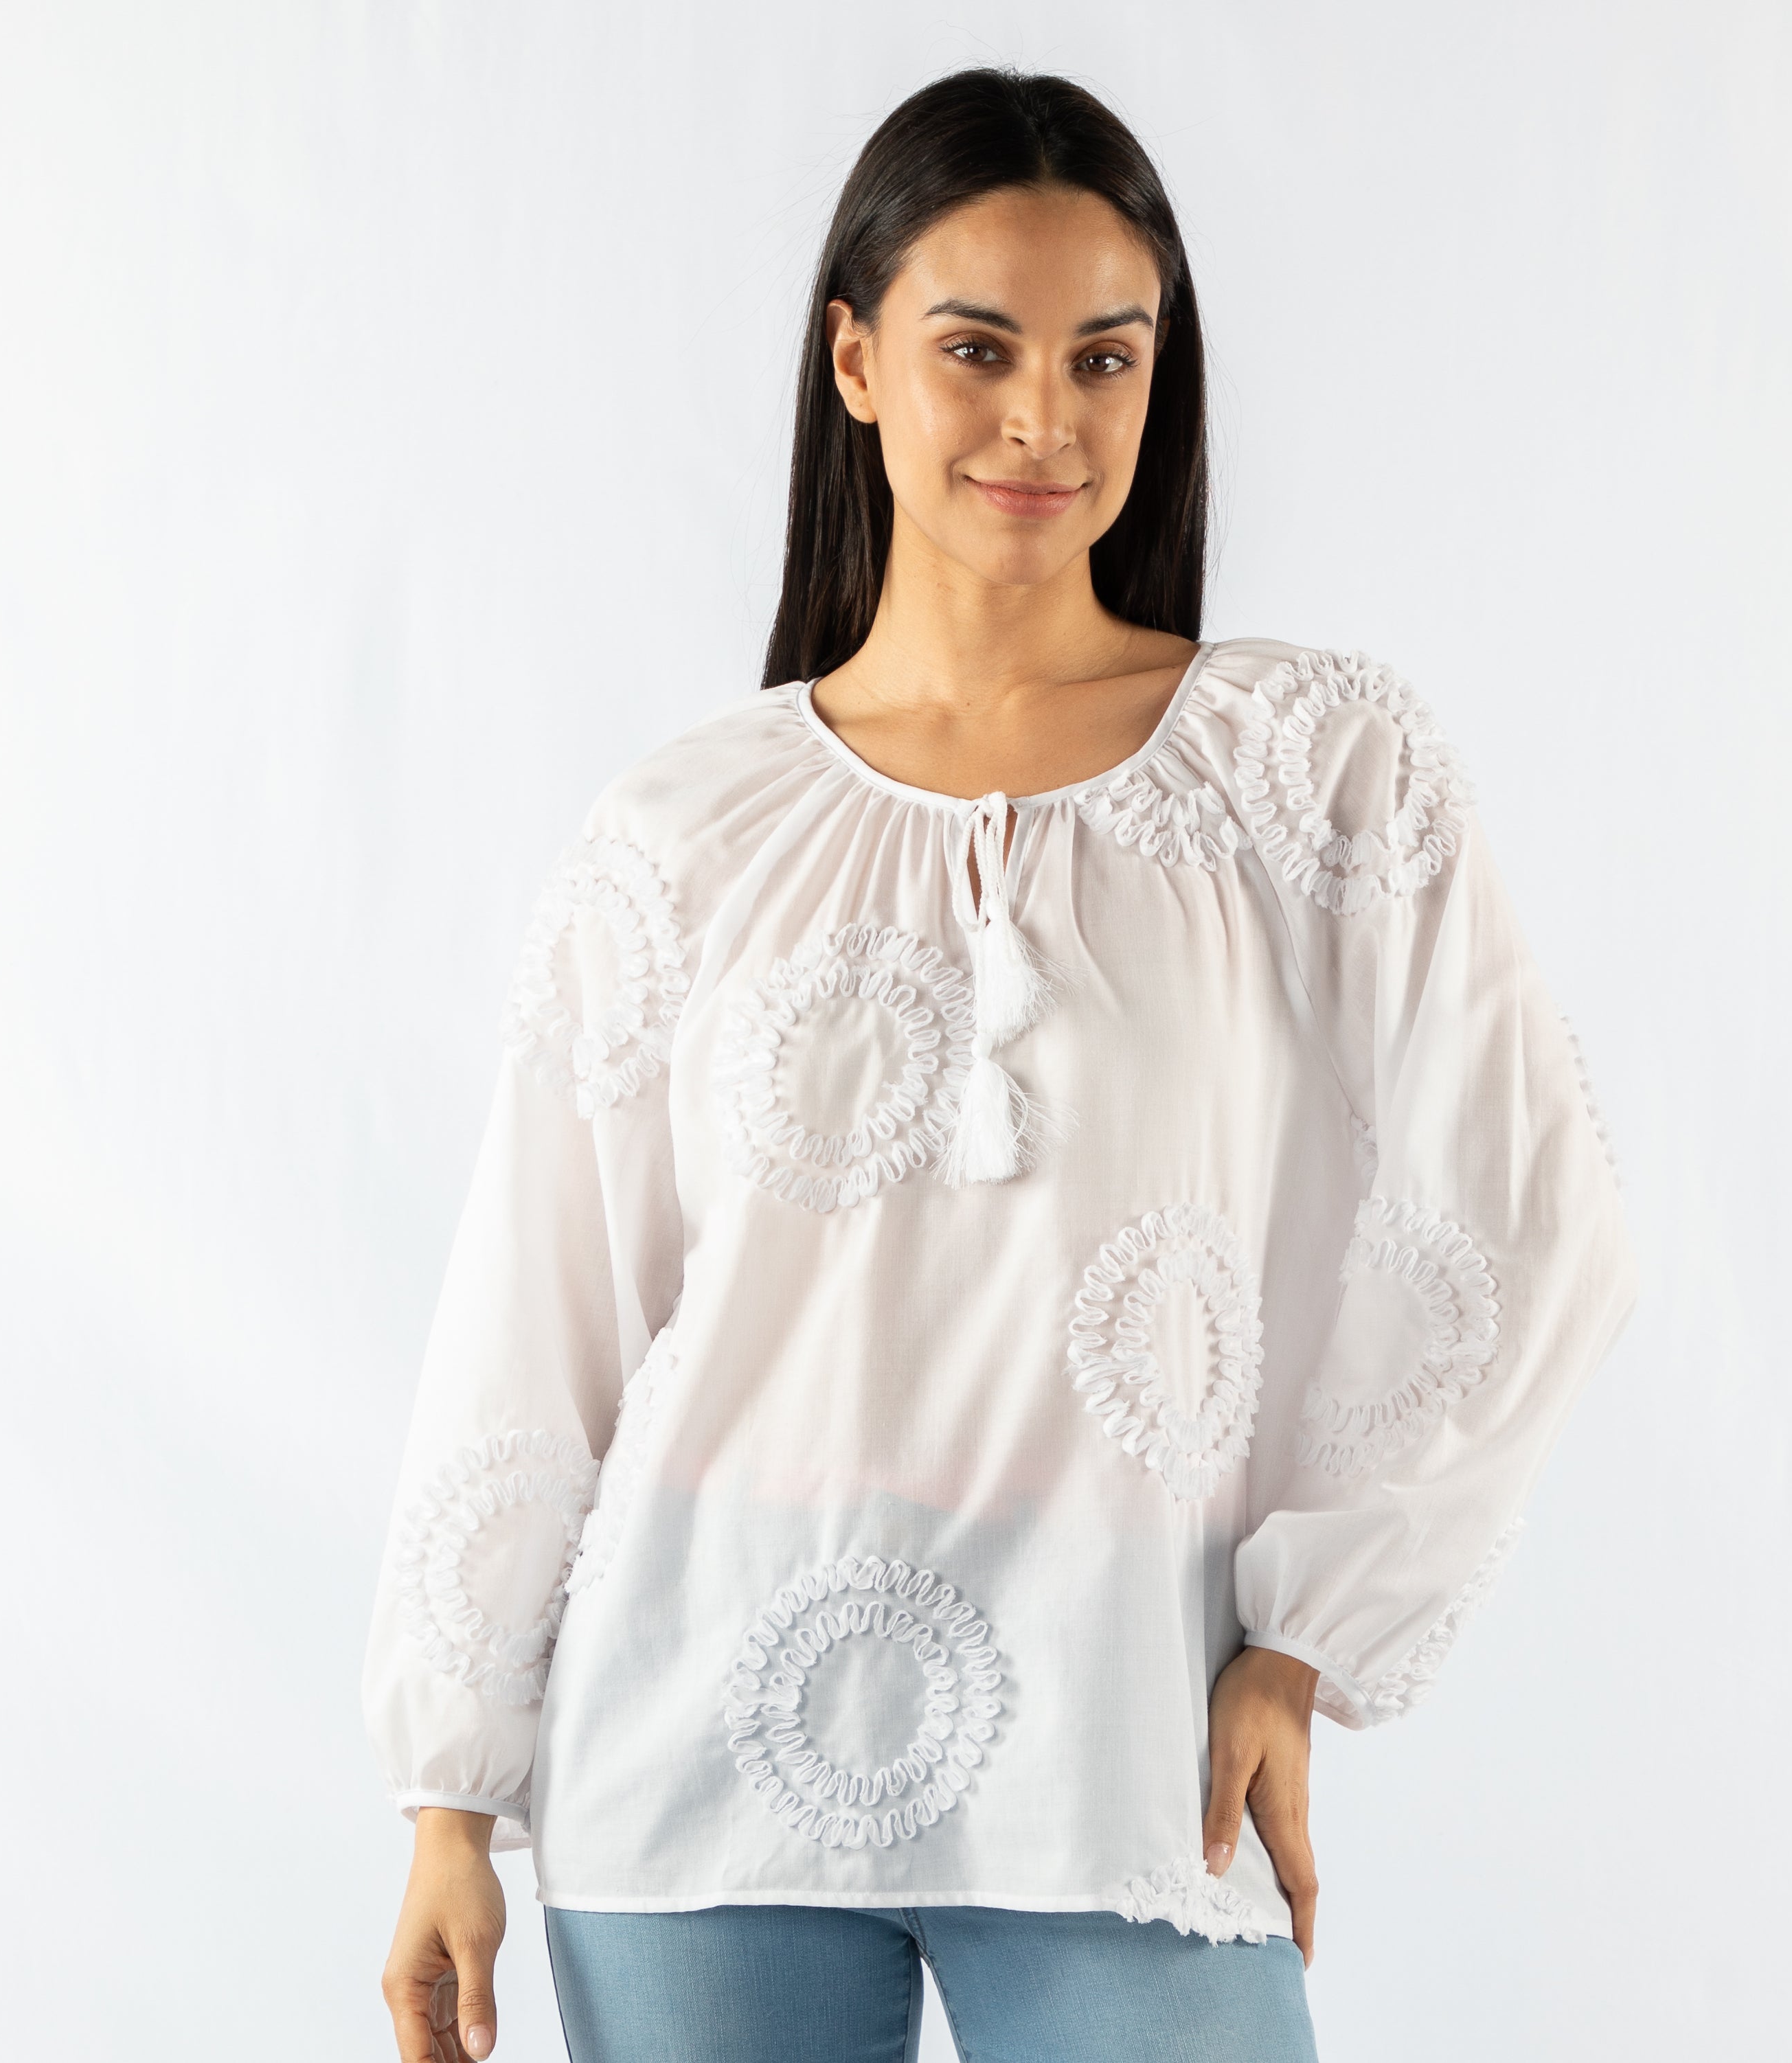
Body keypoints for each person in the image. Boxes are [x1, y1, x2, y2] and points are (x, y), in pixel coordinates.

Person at [367, 65, 1638, 2063]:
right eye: (979, 349)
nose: (1046, 417)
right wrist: (451, 1795)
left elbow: (1526, 1210)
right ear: (856, 362)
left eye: (1103, 358)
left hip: (1132, 1744)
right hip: (688, 1759)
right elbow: (543, 1317)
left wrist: (1304, 1638)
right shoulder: (688, 829)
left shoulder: (1314, 772)